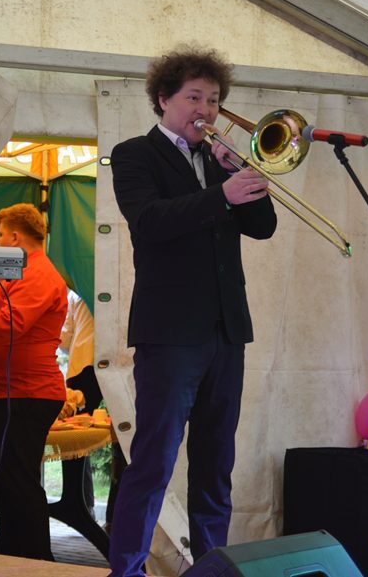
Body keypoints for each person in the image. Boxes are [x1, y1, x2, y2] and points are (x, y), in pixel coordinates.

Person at [108, 46, 277, 576]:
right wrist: (222, 195)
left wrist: (243, 175)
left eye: (215, 100)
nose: (206, 109)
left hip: (227, 332)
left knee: (215, 466)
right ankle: (127, 570)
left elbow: (263, 228)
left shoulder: (219, 158)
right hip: (170, 333)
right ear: (164, 100)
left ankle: (211, 568)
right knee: (153, 463)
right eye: (194, 98)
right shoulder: (134, 154)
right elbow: (150, 220)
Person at [0, 203, 69, 561]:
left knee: (18, 481)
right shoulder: (21, 272)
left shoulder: (38, 274)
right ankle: (14, 553)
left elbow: (8, 324)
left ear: (15, 237)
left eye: (0, 235)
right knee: (11, 480)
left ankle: (33, 558)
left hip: (27, 392)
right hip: (14, 390)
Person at [59, 289, 99, 516]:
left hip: (83, 365)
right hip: (120, 363)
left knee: (74, 438)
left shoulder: (76, 294)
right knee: (124, 438)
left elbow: (64, 338)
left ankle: (81, 504)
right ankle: (115, 516)